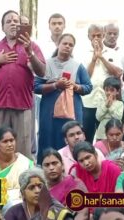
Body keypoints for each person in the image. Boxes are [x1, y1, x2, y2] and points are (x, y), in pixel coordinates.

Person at [0, 10, 45, 159]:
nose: (13, 24)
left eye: (16, 21)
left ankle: (23, 180)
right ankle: (0, 180)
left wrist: (30, 52)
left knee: (23, 149)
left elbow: (42, 72)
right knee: (0, 147)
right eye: (9, 21)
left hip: (22, 105)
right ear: (2, 27)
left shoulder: (32, 46)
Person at [35, 33, 92, 163]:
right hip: (49, 111)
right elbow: (36, 86)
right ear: (58, 44)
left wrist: (75, 86)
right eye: (65, 43)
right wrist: (55, 85)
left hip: (71, 112)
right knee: (47, 139)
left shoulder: (78, 66)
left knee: (71, 138)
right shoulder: (46, 64)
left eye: (71, 45)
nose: (67, 46)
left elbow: (88, 87)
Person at [81, 24, 123, 143]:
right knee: (87, 134)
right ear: (88, 36)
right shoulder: (83, 53)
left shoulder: (112, 52)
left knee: (107, 135)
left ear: (103, 35)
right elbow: (85, 78)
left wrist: (102, 57)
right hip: (88, 101)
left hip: (108, 100)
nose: (96, 38)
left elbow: (117, 73)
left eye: (99, 35)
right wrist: (94, 59)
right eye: (93, 35)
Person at [0, 126, 34, 202]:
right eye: (5, 141)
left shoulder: (24, 161)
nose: (9, 144)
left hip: (24, 201)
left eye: (11, 140)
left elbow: (32, 185)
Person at [4, 167, 73, 219]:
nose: (37, 191)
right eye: (31, 187)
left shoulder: (58, 211)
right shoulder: (14, 213)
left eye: (40, 186)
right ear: (23, 194)